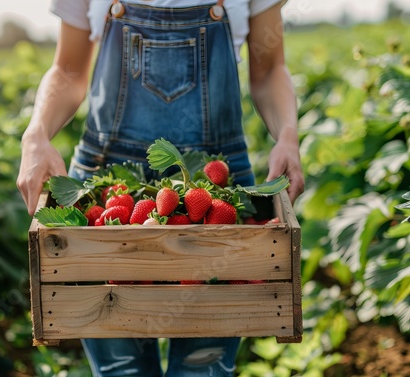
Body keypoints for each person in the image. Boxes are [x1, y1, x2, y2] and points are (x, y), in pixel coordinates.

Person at [17, 0, 304, 375]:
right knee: (121, 370)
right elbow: (68, 69)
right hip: (109, 185)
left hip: (215, 186)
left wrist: (288, 134)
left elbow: (268, 71)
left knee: (204, 368)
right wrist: (35, 134)